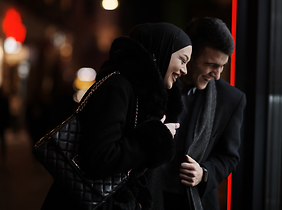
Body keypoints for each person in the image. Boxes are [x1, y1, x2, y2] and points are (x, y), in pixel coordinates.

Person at [41, 22, 192, 210]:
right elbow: (100, 157)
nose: (185, 70)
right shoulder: (119, 87)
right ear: (161, 51)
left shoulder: (138, 93)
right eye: (183, 60)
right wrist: (156, 137)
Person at [154, 17, 246, 210]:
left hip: (193, 202)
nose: (217, 74)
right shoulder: (155, 85)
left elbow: (229, 157)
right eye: (211, 64)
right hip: (148, 197)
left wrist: (204, 173)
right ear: (190, 54)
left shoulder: (231, 99)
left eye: (222, 66)